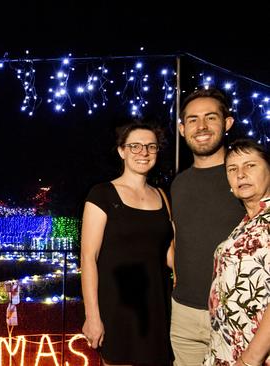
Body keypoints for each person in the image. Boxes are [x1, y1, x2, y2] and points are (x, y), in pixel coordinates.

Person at [81, 121, 174, 365]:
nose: (143, 152)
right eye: (135, 146)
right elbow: (88, 258)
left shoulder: (162, 196)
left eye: (150, 146)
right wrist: (92, 317)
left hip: (156, 306)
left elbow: (169, 255)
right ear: (122, 151)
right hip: (116, 308)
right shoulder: (101, 194)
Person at [171, 88, 246, 365]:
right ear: (182, 129)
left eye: (210, 117)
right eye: (192, 120)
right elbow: (177, 238)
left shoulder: (246, 176)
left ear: (227, 123)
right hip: (184, 313)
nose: (201, 126)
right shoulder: (179, 184)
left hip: (238, 311)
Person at [203, 139, 270, 366]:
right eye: (233, 169)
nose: (240, 174)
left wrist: (250, 359)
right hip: (227, 348)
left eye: (250, 165)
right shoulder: (244, 224)